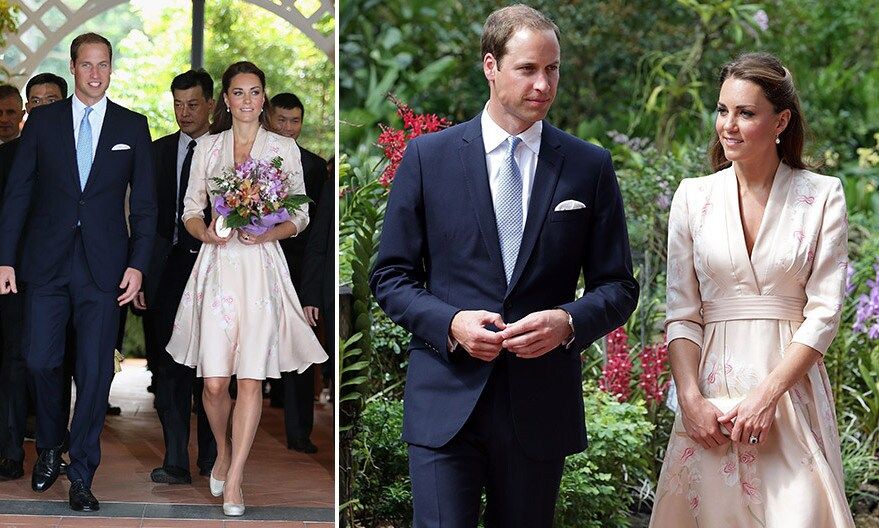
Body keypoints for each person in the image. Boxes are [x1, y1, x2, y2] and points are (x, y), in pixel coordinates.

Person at [369, 5, 639, 526]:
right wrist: (449, 322)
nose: (543, 83)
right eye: (528, 69)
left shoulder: (589, 165)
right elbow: (391, 276)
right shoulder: (429, 158)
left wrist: (568, 322)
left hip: (539, 405)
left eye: (553, 69)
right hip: (445, 399)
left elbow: (618, 286)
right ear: (490, 65)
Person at [650, 52, 855, 527]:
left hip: (787, 395)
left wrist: (767, 397)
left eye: (746, 113)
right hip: (710, 404)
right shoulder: (692, 197)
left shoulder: (822, 196)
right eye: (723, 110)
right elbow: (681, 313)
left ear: (781, 120)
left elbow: (824, 314)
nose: (729, 125)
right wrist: (691, 400)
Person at [0, 32, 157, 513]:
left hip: (105, 270)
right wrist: (5, 258)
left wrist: (138, 266)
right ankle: (49, 443)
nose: (95, 73)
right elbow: (20, 194)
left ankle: (83, 471)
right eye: (86, 65)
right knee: (40, 361)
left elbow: (147, 206)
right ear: (72, 68)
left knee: (93, 375)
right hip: (45, 265)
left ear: (111, 68)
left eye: (103, 64)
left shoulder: (132, 126)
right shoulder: (43, 123)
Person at [165, 61, 327, 517]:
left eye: (256, 92)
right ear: (227, 99)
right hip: (217, 268)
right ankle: (222, 448)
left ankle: (235, 477)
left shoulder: (282, 148)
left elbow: (301, 214)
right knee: (215, 382)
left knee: (251, 375)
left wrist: (270, 231)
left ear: (264, 98)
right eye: (239, 93)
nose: (248, 101)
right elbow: (190, 209)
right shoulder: (208, 148)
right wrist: (207, 233)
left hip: (260, 267)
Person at [138, 69, 217, 485]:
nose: (184, 113)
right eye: (178, 104)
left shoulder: (227, 151)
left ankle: (211, 455)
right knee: (168, 368)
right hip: (164, 271)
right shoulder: (157, 152)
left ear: (211, 104)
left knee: (212, 366)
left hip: (214, 270)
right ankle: (175, 460)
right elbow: (142, 217)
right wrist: (139, 274)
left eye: (193, 104)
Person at [0, 73, 67, 482]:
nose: (43, 108)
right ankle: (11, 452)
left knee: (55, 364)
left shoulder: (82, 154)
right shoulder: (8, 155)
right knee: (14, 360)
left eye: (51, 101)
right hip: (15, 277)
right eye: (36, 102)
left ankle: (53, 448)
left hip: (64, 278)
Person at [268, 92, 327, 453]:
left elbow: (317, 232)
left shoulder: (316, 167)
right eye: (282, 120)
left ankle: (299, 431)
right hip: (255, 256)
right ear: (268, 120)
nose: (289, 128)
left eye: (295, 121)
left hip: (298, 265)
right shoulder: (253, 157)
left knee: (299, 346)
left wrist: (310, 288)